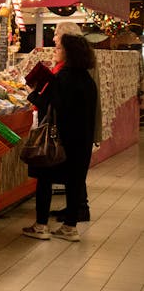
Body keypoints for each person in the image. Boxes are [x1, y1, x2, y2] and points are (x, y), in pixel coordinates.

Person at [22, 34, 97, 242]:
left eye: (58, 48)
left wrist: (32, 92)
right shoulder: (88, 80)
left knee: (45, 180)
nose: (55, 50)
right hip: (81, 141)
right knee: (74, 183)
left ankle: (41, 225)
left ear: (68, 52)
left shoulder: (62, 78)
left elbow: (48, 105)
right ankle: (70, 228)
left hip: (59, 140)